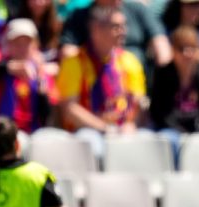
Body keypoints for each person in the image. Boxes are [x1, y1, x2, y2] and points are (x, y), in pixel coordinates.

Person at [56, 6, 147, 163]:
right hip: (87, 131)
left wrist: (130, 124)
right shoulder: (74, 62)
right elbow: (69, 109)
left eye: (124, 26)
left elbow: (139, 102)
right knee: (94, 147)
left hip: (122, 128)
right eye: (116, 27)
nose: (123, 31)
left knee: (149, 144)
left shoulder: (129, 61)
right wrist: (105, 128)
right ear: (96, 30)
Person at [149, 25, 199, 166]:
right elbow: (158, 112)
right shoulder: (162, 74)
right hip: (171, 128)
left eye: (192, 48)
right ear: (173, 51)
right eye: (182, 48)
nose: (187, 53)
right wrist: (182, 131)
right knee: (170, 140)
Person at [0, 18, 57, 133]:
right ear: (8, 45)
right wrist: (12, 67)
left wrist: (42, 91)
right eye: (17, 43)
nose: (22, 48)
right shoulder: (2, 68)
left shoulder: (42, 73)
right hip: (6, 132)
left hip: (33, 132)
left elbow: (48, 114)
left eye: (27, 43)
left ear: (35, 45)